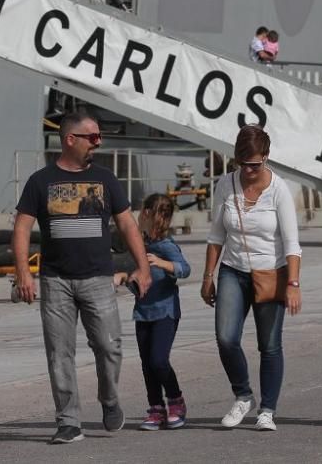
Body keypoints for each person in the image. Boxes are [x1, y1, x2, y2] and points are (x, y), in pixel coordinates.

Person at [12, 112, 153, 445]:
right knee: (59, 352)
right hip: (55, 280)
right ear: (70, 139)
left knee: (109, 347)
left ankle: (109, 399)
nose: (98, 142)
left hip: (98, 279)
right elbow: (21, 227)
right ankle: (68, 421)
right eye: (92, 137)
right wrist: (23, 274)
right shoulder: (40, 181)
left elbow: (127, 224)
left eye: (99, 137)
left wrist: (143, 266)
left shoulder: (106, 179)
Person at [201, 125, 302, 431]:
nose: (248, 170)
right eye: (242, 163)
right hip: (233, 270)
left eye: (255, 164)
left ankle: (267, 410)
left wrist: (293, 283)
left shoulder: (279, 189)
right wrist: (208, 275)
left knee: (269, 344)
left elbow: (291, 242)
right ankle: (243, 394)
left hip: (271, 271)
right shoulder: (226, 184)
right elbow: (216, 234)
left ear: (266, 158)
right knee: (225, 337)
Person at [114, 193, 192, 431]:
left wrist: (162, 263)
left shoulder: (166, 246)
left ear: (147, 213)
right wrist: (123, 277)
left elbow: (185, 269)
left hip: (166, 312)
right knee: (147, 363)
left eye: (141, 211)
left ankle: (176, 400)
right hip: (143, 312)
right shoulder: (139, 246)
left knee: (159, 360)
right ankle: (156, 409)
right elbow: (135, 278)